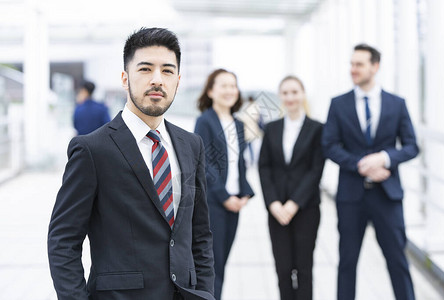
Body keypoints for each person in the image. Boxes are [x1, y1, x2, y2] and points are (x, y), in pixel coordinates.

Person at [48, 27, 215, 300]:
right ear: (125, 79)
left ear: (178, 80)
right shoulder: (92, 150)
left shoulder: (191, 144)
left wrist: (205, 292)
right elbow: (62, 240)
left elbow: (200, 233)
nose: (157, 80)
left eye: (167, 71)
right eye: (145, 69)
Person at [322, 44, 419, 300]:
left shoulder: (397, 104)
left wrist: (385, 158)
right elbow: (329, 145)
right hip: (351, 196)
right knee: (347, 263)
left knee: (397, 260)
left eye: (359, 64)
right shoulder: (338, 104)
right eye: (352, 64)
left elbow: (411, 145)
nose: (353, 69)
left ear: (375, 67)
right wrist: (361, 164)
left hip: (387, 195)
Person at [259, 75, 324, 300]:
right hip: (277, 210)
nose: (290, 97)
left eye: (294, 92)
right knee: (283, 269)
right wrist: (273, 203)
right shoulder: (272, 128)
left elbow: (315, 170)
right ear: (280, 96)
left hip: (306, 208)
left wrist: (294, 203)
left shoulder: (317, 129)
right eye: (285, 93)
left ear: (303, 94)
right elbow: (264, 167)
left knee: (304, 269)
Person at [194, 68, 254, 300]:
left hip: (233, 203)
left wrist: (244, 194)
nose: (230, 90)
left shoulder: (238, 124)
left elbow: (240, 165)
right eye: (224, 86)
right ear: (211, 91)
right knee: (212, 266)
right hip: (213, 204)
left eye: (233, 86)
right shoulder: (204, 121)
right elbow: (205, 165)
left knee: (223, 262)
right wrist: (224, 197)